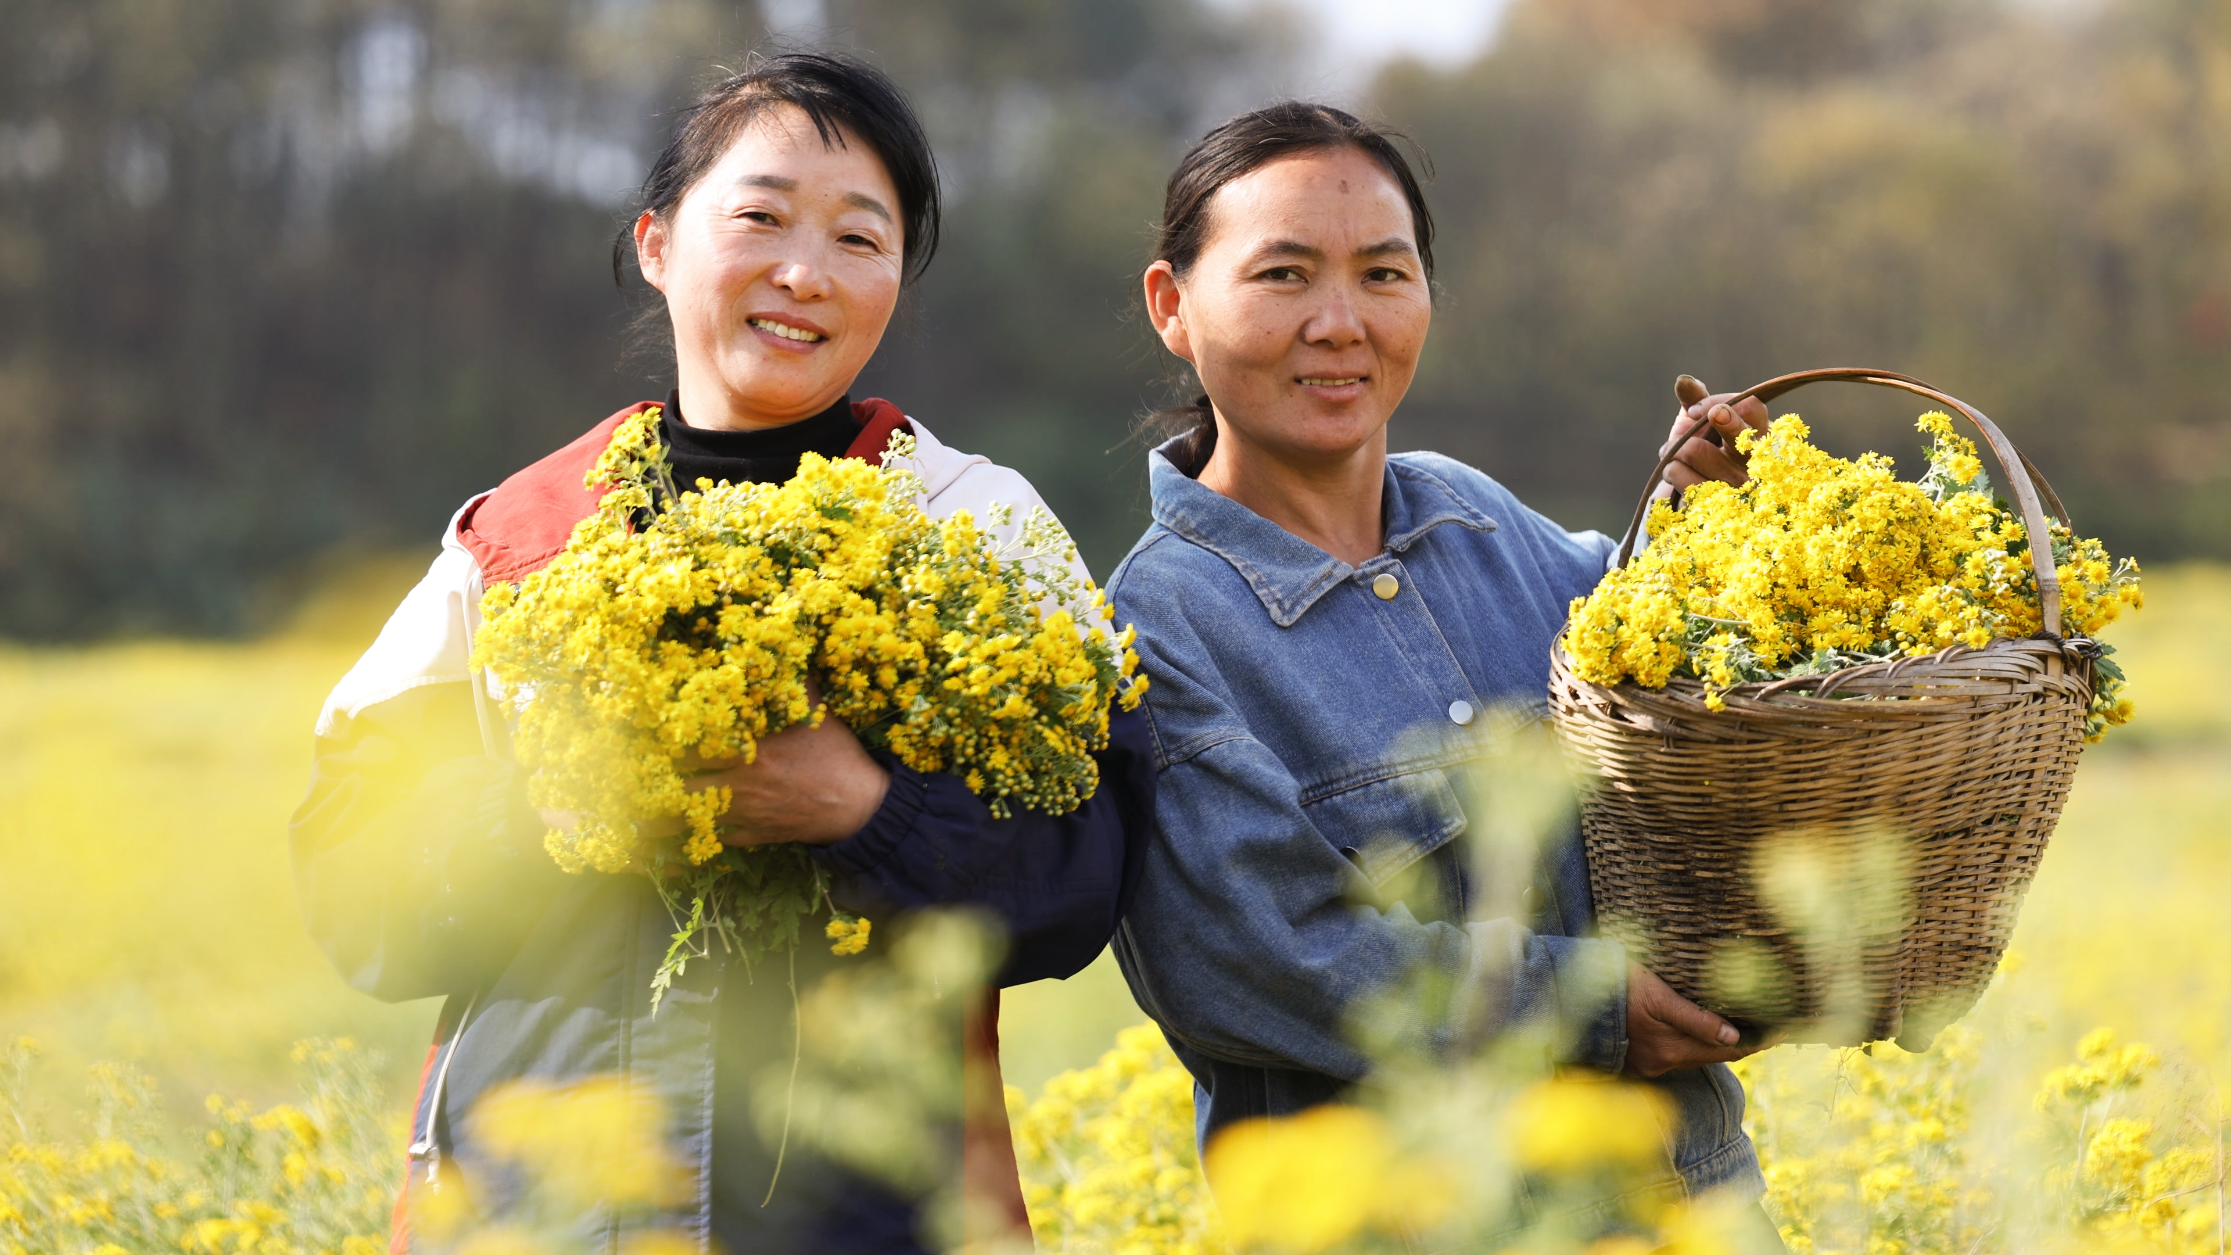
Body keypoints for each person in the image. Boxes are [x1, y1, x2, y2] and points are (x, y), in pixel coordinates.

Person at [292, 52, 1154, 1253]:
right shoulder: (516, 535)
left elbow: (1084, 873)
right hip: (538, 1209)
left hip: (855, 1213)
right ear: (656, 244)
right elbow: (353, 880)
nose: (804, 273)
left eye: (859, 239)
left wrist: (863, 810)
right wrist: (559, 802)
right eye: (760, 218)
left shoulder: (972, 523)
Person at [1105, 101, 1785, 1242]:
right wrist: (1586, 1007)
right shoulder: (1161, 625)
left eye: (1383, 274)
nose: (1339, 324)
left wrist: (1692, 512)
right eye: (1283, 275)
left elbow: (1628, 644)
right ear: (1172, 305)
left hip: (1684, 1203)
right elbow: (1257, 958)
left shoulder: (1473, 514)